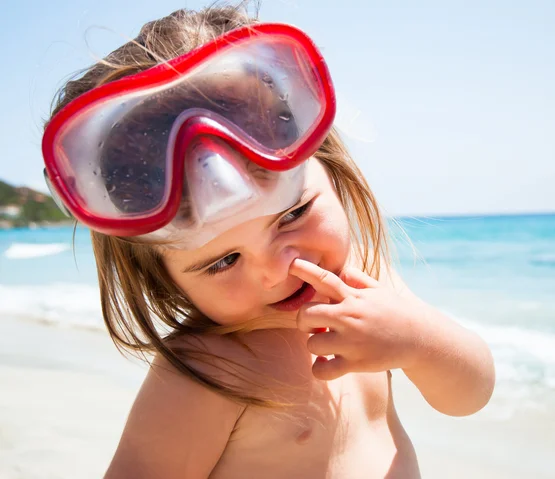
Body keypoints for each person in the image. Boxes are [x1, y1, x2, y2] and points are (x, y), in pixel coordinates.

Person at [42, 4, 495, 478]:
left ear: (331, 170)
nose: (278, 269)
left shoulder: (367, 283)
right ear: (163, 278)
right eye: (223, 261)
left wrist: (417, 343)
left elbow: (470, 396)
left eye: (294, 215)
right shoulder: (209, 375)